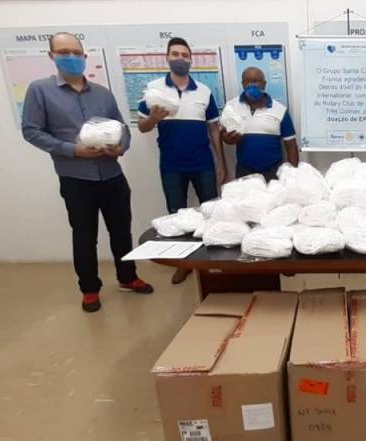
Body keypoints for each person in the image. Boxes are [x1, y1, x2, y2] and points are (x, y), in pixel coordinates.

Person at [22, 32, 153, 313]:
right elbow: (31, 131)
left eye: (75, 52)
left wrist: (121, 147)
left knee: (121, 231)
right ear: (51, 56)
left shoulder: (102, 94)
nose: (71, 57)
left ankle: (127, 277)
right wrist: (72, 150)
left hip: (112, 174)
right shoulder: (40, 91)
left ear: (84, 56)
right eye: (63, 52)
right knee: (84, 236)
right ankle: (90, 289)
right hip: (76, 178)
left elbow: (122, 128)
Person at [137, 37, 226, 284]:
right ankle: (183, 264)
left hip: (202, 163)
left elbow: (214, 129)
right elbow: (142, 127)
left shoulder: (204, 91)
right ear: (166, 57)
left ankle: (212, 262)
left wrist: (221, 163)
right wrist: (153, 118)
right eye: (175, 54)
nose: (180, 59)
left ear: (191, 59)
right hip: (172, 165)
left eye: (184, 55)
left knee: (211, 212)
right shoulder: (154, 90)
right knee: (176, 216)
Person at [220, 67, 299, 180]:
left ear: (264, 84)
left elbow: (291, 145)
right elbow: (225, 137)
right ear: (243, 84)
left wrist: (294, 176)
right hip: (244, 171)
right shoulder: (231, 107)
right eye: (248, 81)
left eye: (255, 81)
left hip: (273, 171)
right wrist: (228, 139)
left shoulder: (280, 110)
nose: (252, 85)